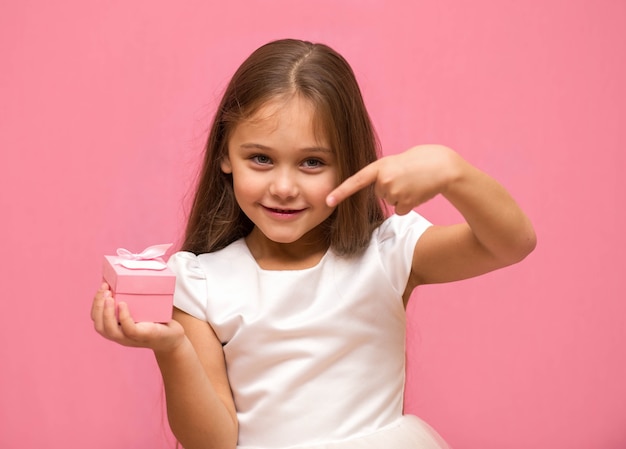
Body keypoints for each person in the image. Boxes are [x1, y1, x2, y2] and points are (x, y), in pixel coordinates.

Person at [91, 38, 536, 449]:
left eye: (312, 162)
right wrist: (172, 348)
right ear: (225, 155)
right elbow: (213, 443)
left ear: (351, 163)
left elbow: (510, 244)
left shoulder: (386, 252)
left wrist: (454, 172)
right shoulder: (201, 281)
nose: (284, 187)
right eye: (260, 158)